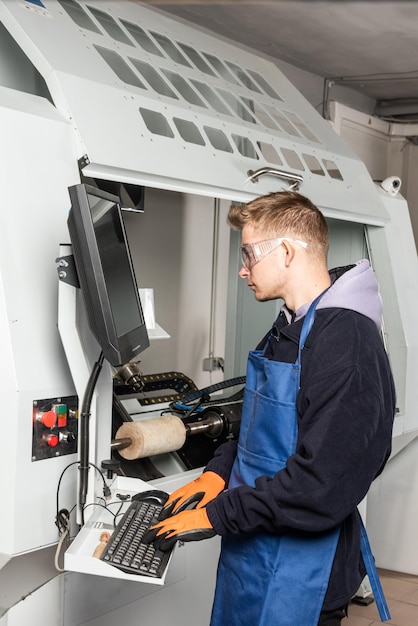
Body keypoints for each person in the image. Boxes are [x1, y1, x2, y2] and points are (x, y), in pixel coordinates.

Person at [144, 191, 396, 626]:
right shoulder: (289, 326)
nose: (242, 269)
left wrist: (219, 513)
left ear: (285, 251)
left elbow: (321, 484)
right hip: (253, 551)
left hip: (305, 573)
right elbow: (259, 424)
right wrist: (217, 473)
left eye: (248, 254)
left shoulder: (345, 341)